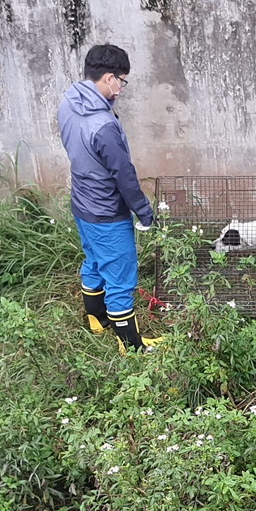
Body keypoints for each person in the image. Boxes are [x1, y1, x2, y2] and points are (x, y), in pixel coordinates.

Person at [58, 44, 161, 352]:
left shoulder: (68, 102)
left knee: (94, 259)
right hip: (106, 211)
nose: (121, 89)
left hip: (82, 203)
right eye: (122, 81)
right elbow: (124, 175)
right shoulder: (102, 125)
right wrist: (144, 212)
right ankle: (131, 346)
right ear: (109, 77)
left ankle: (96, 318)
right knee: (121, 276)